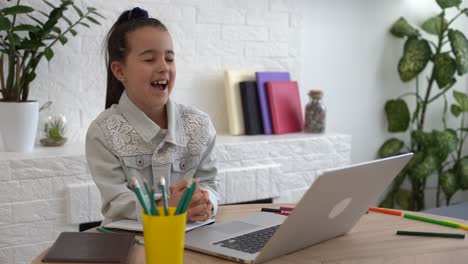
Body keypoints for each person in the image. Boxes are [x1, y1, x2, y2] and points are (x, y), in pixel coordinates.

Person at [85, 7, 218, 225]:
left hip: (190, 238)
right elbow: (116, 201)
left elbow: (211, 183)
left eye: (169, 58)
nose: (164, 67)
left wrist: (205, 202)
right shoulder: (103, 132)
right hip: (127, 244)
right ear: (120, 71)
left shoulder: (200, 124)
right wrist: (166, 208)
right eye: (149, 60)